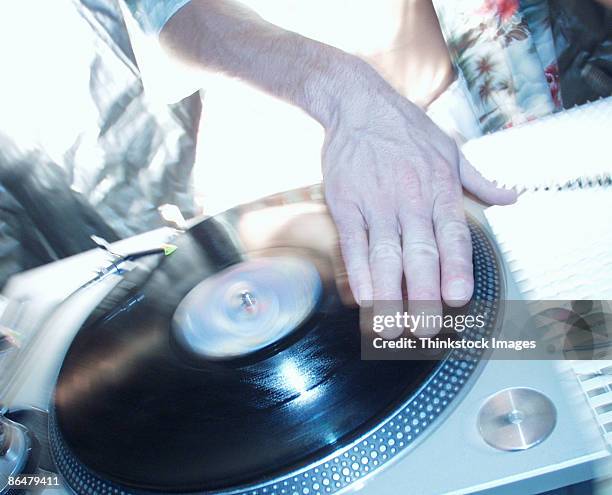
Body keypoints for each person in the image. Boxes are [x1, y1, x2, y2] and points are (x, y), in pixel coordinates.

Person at [123, 0, 516, 309]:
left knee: (556, 331)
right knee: (394, 357)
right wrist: (348, 95)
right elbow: (176, 16)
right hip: (283, 172)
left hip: (460, 129)